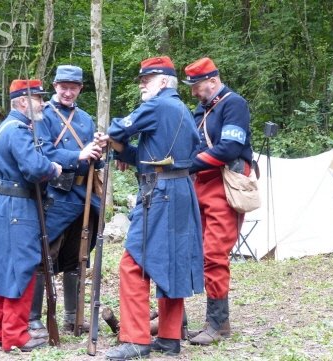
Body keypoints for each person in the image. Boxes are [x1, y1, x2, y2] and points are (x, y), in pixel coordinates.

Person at [99, 56, 204, 360]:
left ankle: (136, 339)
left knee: (133, 264)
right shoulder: (182, 109)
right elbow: (150, 156)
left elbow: (119, 128)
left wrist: (112, 139)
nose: (142, 85)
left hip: (160, 192)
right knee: (172, 262)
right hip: (180, 188)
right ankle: (169, 338)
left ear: (162, 81)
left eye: (146, 80)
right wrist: (123, 151)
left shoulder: (158, 105)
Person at [0, 79, 62, 352]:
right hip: (20, 206)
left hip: (7, 204)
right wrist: (53, 167)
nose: (43, 103)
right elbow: (33, 168)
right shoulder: (18, 130)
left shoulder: (4, 127)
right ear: (22, 102)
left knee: (4, 266)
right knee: (22, 267)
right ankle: (16, 335)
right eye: (38, 98)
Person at [182, 57, 253, 345]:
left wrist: (188, 164)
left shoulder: (233, 104)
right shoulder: (203, 110)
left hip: (224, 185)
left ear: (212, 81)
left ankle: (218, 324)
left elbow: (230, 147)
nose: (194, 93)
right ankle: (208, 321)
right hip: (202, 186)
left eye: (197, 87)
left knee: (214, 254)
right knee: (199, 253)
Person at [29, 65, 103, 336]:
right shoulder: (43, 115)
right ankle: (35, 318)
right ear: (55, 86)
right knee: (44, 255)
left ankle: (73, 317)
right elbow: (44, 152)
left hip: (83, 196)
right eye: (63, 86)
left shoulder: (85, 119)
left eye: (73, 87)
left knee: (78, 257)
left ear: (80, 89)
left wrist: (98, 150)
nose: (68, 91)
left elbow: (94, 158)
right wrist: (77, 156)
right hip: (56, 194)